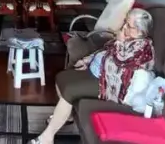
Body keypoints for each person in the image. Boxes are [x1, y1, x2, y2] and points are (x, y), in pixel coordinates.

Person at [30, 8, 155, 144]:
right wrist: (86, 61)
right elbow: (105, 50)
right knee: (62, 77)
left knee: (70, 91)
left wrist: (120, 40)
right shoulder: (129, 37)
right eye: (125, 22)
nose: (124, 27)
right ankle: (68, 116)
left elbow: (121, 59)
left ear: (140, 31)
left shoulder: (143, 48)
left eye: (128, 26)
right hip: (97, 73)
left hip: (109, 85)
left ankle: (47, 137)